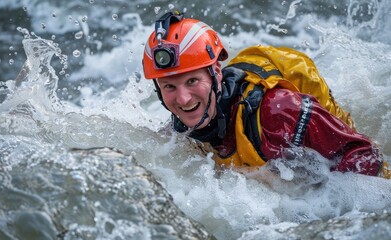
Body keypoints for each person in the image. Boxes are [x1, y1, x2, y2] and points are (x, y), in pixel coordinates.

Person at [142, 11, 390, 178]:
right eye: (169, 87)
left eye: (193, 81)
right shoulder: (180, 131)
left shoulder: (278, 111)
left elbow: (367, 155)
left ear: (216, 73)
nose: (183, 99)